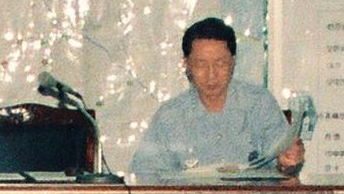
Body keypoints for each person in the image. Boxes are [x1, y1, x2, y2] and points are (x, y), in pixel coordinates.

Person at [129, 17, 302, 182]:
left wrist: (288, 161)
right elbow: (146, 172)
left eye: (220, 63)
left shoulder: (259, 104)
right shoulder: (170, 116)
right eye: (201, 64)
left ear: (233, 62)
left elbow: (282, 160)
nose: (211, 74)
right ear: (187, 64)